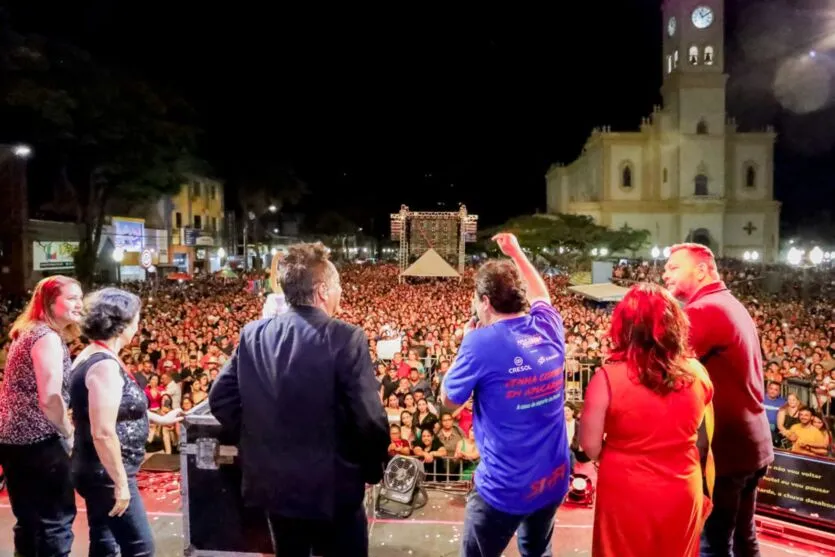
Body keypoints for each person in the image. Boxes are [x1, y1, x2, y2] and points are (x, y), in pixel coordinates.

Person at [209, 241, 389, 557]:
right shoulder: (346, 337)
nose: (340, 294)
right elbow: (370, 419)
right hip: (332, 489)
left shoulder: (253, 334)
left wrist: (259, 438)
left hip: (274, 485)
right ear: (322, 290)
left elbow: (221, 398)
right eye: (337, 287)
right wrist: (372, 469)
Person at [442, 233, 569, 557]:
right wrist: (516, 252)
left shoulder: (479, 343)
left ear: (485, 301)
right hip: (553, 477)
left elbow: (449, 402)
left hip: (505, 488)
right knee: (537, 551)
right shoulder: (547, 325)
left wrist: (463, 349)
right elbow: (541, 293)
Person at [580, 283, 715, 557]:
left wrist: (625, 454)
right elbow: (702, 438)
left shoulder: (606, 378)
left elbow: (590, 446)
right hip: (682, 484)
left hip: (625, 486)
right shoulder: (699, 373)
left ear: (623, 326)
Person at [663, 243, 774, 557]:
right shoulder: (728, 302)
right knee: (743, 537)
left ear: (701, 270)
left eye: (673, 268)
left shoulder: (704, 310)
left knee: (713, 544)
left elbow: (663, 369)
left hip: (724, 452)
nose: (664, 274)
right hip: (751, 445)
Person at [69, 288, 183, 556]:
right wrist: (121, 483)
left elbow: (117, 408)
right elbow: (103, 431)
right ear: (121, 326)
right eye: (136, 319)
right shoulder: (104, 366)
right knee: (140, 546)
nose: (138, 325)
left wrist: (160, 419)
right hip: (105, 472)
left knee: (105, 541)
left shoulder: (95, 354)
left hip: (99, 469)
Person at [0, 275, 83, 557]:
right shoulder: (46, 337)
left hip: (14, 441)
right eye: (72, 298)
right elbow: (50, 398)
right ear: (49, 302)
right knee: (55, 521)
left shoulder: (29, 331)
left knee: (30, 521)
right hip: (39, 442)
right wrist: (69, 434)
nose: (79, 304)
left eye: (80, 297)